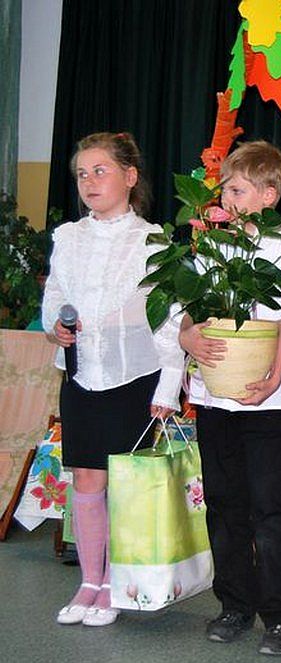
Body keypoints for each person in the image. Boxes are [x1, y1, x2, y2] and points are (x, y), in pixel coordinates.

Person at [179, 140, 281, 656]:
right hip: (216, 393)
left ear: (269, 194)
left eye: (238, 191)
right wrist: (187, 337)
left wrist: (274, 374)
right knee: (223, 502)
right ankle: (235, 603)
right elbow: (191, 306)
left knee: (269, 505)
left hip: (269, 397)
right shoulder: (213, 243)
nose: (228, 199)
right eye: (225, 190)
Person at [43, 131, 183, 627]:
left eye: (100, 171)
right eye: (82, 174)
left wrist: (169, 386)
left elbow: (170, 319)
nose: (89, 181)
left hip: (134, 375)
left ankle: (116, 583)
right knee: (86, 478)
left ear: (129, 177)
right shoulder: (68, 237)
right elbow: (55, 294)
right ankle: (89, 580)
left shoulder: (153, 240)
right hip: (82, 373)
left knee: (125, 485)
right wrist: (55, 326)